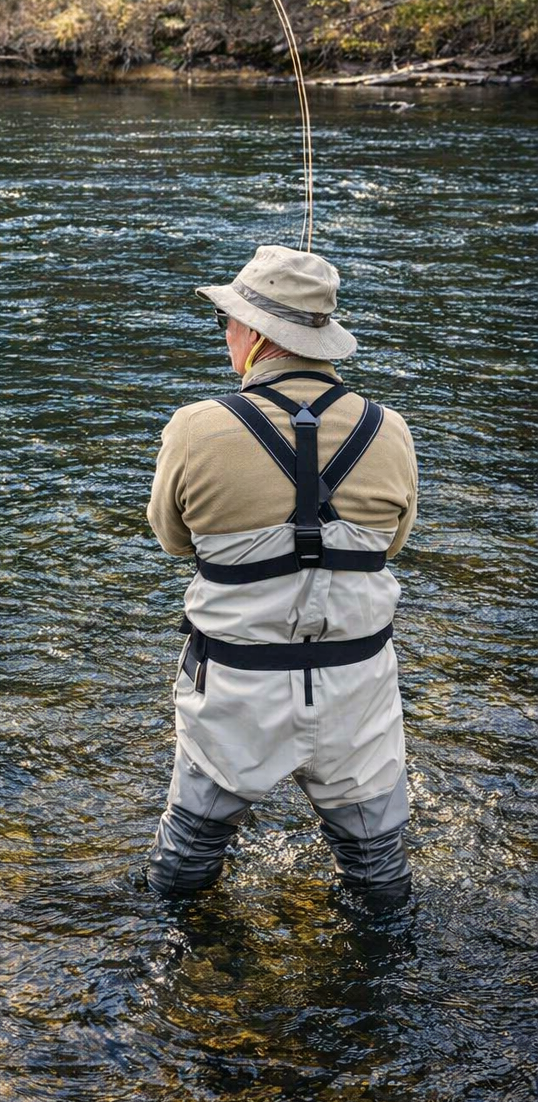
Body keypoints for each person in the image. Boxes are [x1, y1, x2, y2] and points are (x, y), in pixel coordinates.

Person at [145, 245, 418, 905]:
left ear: (259, 336)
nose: (226, 335)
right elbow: (393, 546)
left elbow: (173, 541)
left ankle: (172, 981)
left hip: (237, 690)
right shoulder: (392, 431)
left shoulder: (195, 430)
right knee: (381, 883)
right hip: (357, 692)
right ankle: (375, 995)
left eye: (228, 322)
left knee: (181, 874)